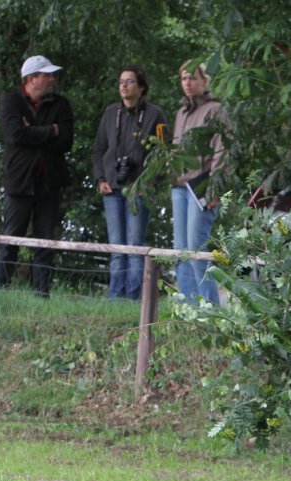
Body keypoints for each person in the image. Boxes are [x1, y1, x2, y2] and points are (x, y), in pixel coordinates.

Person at [0, 55, 74, 297]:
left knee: (45, 241)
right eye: (46, 75)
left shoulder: (61, 105)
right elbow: (15, 135)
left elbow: (66, 141)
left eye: (51, 75)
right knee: (11, 239)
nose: (52, 79)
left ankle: (42, 293)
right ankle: (0, 290)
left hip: (50, 182)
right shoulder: (11, 102)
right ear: (31, 79)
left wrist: (33, 132)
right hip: (19, 182)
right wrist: (51, 130)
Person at [93, 65, 169, 300]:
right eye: (120, 82)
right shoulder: (110, 113)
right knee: (117, 247)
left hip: (140, 189)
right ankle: (115, 299)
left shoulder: (155, 114)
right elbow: (98, 150)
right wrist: (101, 178)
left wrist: (149, 181)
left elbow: (164, 153)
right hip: (112, 187)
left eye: (129, 81)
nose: (123, 86)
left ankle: (135, 299)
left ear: (141, 87)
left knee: (135, 246)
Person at [171, 62, 228, 305]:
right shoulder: (181, 113)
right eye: (184, 78)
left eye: (193, 78)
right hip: (180, 186)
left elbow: (222, 151)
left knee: (197, 249)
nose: (188, 83)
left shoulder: (216, 109)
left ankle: (210, 308)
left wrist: (216, 188)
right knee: (181, 250)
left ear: (205, 81)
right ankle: (187, 308)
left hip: (202, 186)